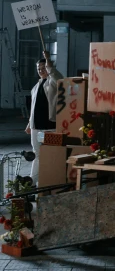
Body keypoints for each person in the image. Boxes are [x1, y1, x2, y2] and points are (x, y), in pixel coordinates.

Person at [24, 50, 63, 186]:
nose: (41, 70)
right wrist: (29, 124)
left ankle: (46, 181)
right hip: (36, 126)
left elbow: (57, 77)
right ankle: (32, 181)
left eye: (43, 68)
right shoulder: (35, 87)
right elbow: (33, 108)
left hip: (49, 126)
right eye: (38, 69)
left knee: (50, 153)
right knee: (37, 154)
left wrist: (48, 60)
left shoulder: (52, 83)